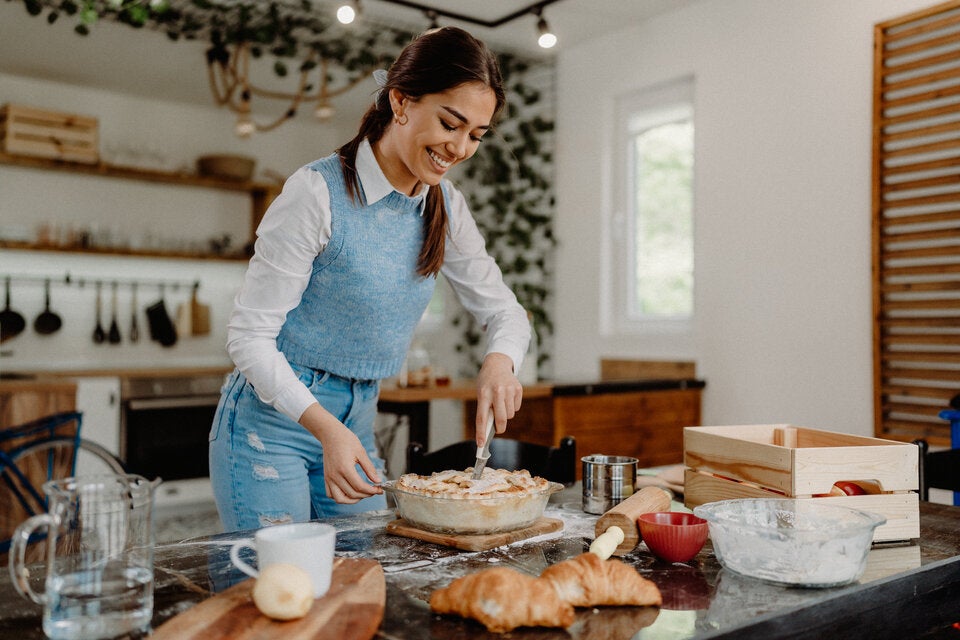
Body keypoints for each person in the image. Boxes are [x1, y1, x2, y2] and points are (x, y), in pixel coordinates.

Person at [209, 26, 532, 532]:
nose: (461, 148)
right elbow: (248, 339)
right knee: (277, 587)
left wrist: (500, 361)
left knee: (362, 583)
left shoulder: (446, 206)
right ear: (401, 102)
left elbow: (505, 311)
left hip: (358, 417)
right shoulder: (315, 193)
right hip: (271, 424)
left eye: (476, 135)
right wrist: (325, 429)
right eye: (451, 123)